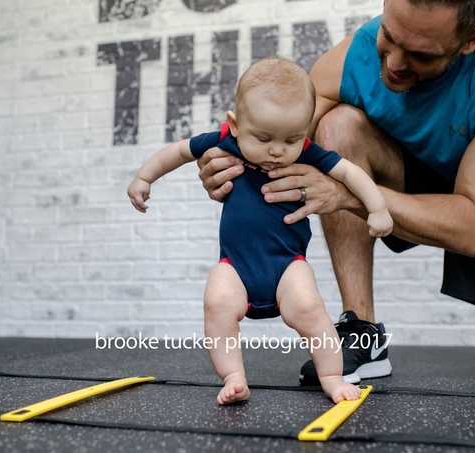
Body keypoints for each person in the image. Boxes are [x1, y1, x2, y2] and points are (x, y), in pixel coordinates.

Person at [196, 0, 475, 382]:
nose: (396, 63)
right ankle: (360, 331)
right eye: (389, 36)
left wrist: (347, 196)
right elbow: (270, 136)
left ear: (471, 40)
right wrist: (226, 163)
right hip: (413, 167)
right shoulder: (355, 55)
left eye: (420, 54)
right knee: (338, 128)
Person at [127, 56, 394, 404]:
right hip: (236, 266)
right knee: (217, 303)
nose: (277, 150)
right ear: (235, 124)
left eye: (291, 139)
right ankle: (234, 377)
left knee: (311, 310)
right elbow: (178, 152)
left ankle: (332, 375)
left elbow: (350, 173)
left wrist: (377, 207)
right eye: (264, 137)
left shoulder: (307, 153)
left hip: (287, 264)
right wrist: (144, 177)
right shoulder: (224, 141)